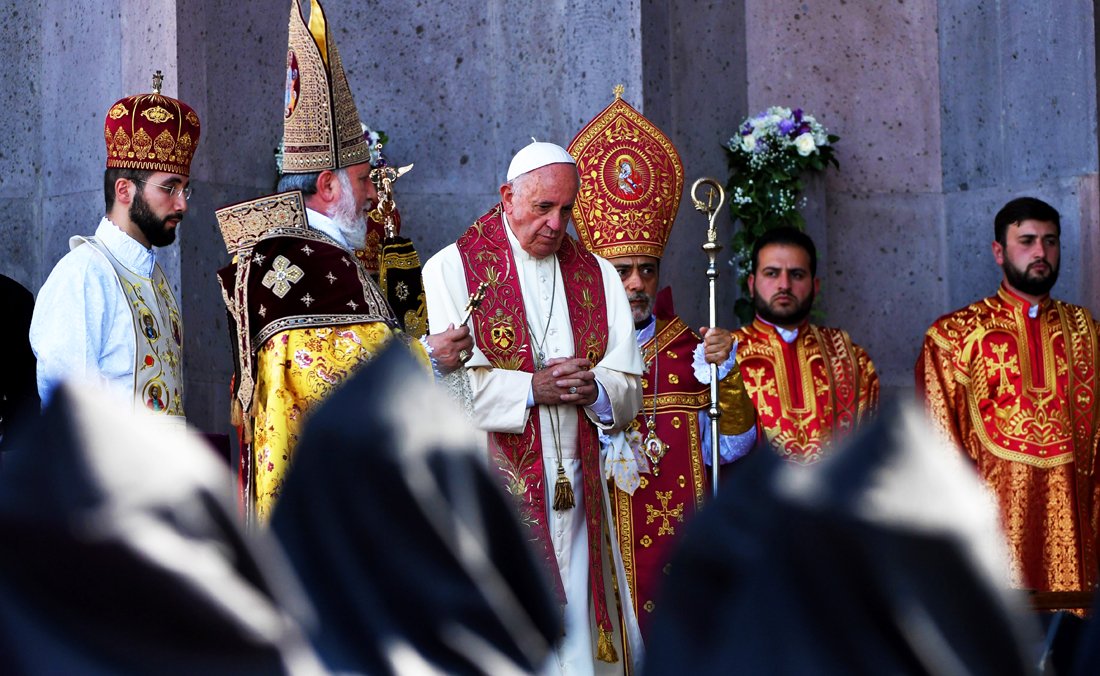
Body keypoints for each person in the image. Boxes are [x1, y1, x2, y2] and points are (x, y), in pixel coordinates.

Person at [216, 0, 470, 522]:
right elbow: (313, 368)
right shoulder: (287, 258)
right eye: (362, 180)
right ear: (328, 185)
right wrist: (427, 358)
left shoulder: (331, 257)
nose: (376, 195)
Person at [422, 140, 643, 674]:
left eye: (567, 209)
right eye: (543, 208)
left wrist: (596, 391)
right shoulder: (453, 269)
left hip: (579, 493)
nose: (556, 224)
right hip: (493, 494)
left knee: (578, 639)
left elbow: (630, 382)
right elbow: (449, 392)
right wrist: (530, 389)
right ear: (507, 197)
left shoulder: (598, 275)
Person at [567, 89, 758, 644]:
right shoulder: (573, 353)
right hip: (597, 550)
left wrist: (730, 378)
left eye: (646, 271)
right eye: (622, 270)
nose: (636, 284)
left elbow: (732, 449)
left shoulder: (692, 351)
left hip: (678, 557)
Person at [916, 196, 1100, 596]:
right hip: (991, 548)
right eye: (1028, 240)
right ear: (999, 251)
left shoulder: (1089, 333)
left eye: (1051, 241)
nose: (1041, 252)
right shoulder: (952, 337)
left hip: (1078, 544)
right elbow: (937, 449)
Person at [30, 71, 201, 419]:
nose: (182, 204)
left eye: (186, 189)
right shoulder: (83, 275)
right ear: (124, 190)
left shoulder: (154, 277)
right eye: (170, 188)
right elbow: (68, 415)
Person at [715, 227, 878, 464]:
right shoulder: (726, 358)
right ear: (751, 284)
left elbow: (870, 455)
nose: (784, 284)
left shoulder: (852, 359)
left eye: (797, 275)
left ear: (815, 285)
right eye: (771, 273)